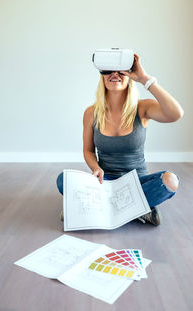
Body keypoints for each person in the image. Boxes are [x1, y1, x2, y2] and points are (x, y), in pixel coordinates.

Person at [57, 53, 184, 225]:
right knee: (63, 179)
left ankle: (93, 209)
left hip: (137, 184)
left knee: (170, 181)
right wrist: (95, 168)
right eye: (108, 70)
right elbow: (88, 150)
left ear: (129, 76)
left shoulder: (143, 108)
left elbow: (176, 114)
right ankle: (138, 209)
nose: (114, 74)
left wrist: (144, 78)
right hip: (105, 183)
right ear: (102, 77)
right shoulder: (91, 113)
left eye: (121, 71)